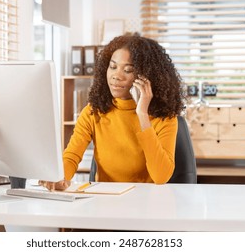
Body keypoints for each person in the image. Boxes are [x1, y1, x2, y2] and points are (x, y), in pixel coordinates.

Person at [41, 33, 188, 191]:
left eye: (128, 70)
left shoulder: (165, 118)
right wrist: (59, 176)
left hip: (146, 202)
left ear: (146, 77)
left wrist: (142, 115)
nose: (116, 76)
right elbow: (71, 156)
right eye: (112, 67)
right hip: (105, 202)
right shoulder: (93, 111)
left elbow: (160, 177)